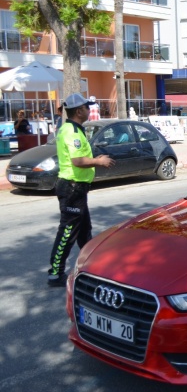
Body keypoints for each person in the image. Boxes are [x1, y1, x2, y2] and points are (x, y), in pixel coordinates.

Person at [47, 93, 115, 287]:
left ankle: (91, 267)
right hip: (72, 188)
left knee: (84, 232)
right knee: (67, 232)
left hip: (77, 188)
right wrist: (98, 161)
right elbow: (77, 161)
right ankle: (55, 273)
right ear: (79, 111)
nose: (89, 109)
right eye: (87, 107)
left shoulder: (70, 128)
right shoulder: (72, 132)